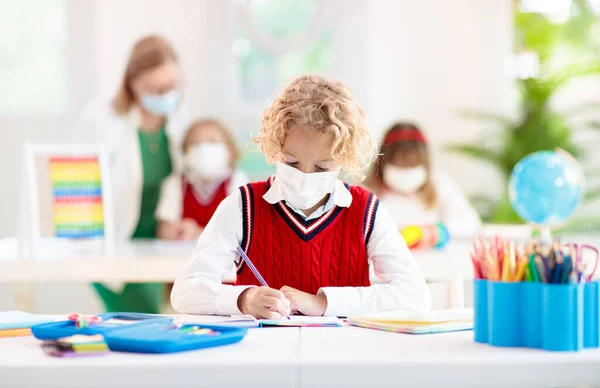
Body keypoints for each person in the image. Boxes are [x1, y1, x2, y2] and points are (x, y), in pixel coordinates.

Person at [171, 75, 430, 319]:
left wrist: (323, 303)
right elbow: (185, 291)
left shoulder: (367, 211)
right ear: (275, 147)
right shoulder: (242, 205)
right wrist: (244, 299)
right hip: (260, 355)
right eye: (291, 162)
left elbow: (415, 296)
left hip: (345, 356)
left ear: (344, 158)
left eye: (322, 167)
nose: (304, 175)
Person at [74, 35, 190, 313]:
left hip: (158, 242)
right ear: (133, 84)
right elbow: (81, 192)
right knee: (142, 320)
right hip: (112, 242)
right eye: (155, 88)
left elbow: (178, 180)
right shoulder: (101, 120)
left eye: (171, 86)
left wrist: (169, 223)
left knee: (158, 321)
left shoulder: (179, 116)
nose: (165, 95)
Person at [365, 122, 481, 250]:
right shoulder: (365, 190)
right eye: (399, 163)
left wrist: (437, 233)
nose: (406, 171)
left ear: (425, 163)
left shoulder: (439, 183)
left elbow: (471, 223)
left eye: (413, 164)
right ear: (383, 160)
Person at [156, 118, 249, 240]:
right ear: (186, 153)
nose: (203, 149)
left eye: (212, 142)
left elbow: (242, 230)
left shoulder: (238, 181)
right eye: (195, 143)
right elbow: (163, 228)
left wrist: (198, 233)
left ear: (230, 151)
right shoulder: (176, 183)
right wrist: (173, 231)